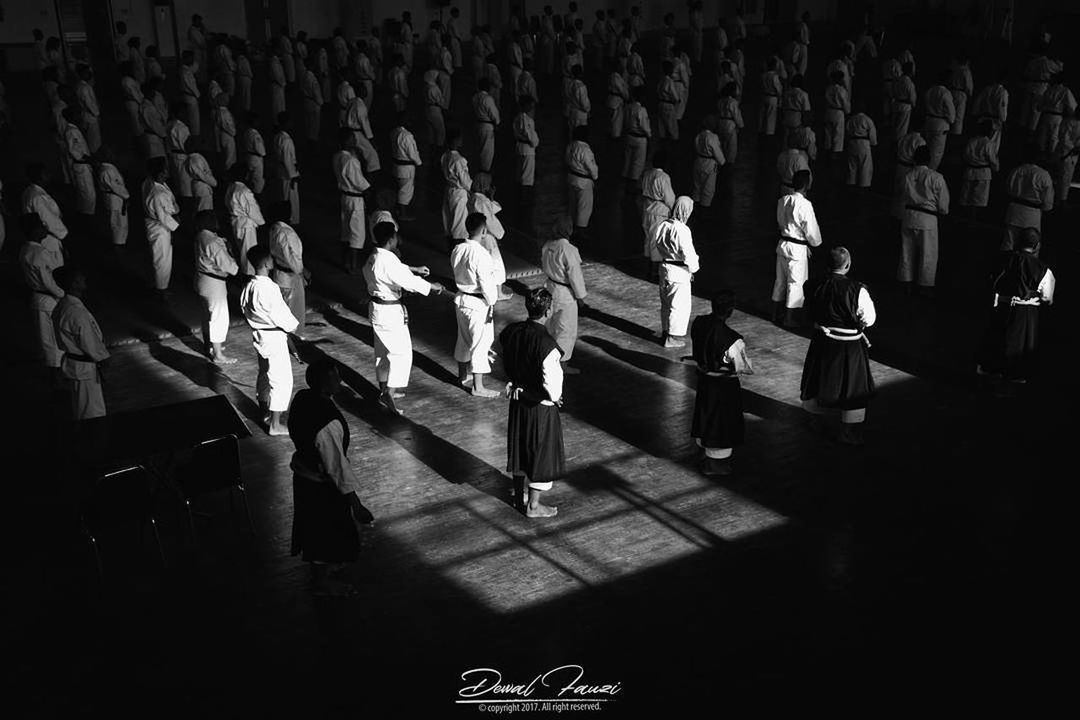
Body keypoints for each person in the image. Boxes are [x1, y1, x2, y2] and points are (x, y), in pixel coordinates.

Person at [288, 359, 374, 596]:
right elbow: (336, 465)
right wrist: (356, 504)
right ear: (324, 383)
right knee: (323, 533)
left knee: (319, 530)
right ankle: (322, 583)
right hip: (320, 486)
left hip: (303, 475)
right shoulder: (327, 422)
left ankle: (326, 573)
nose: (340, 381)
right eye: (335, 378)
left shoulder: (302, 399)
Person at [362, 221, 446, 413]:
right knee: (402, 354)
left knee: (382, 353)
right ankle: (388, 394)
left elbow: (396, 270)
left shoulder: (374, 257)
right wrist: (431, 286)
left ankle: (384, 388)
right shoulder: (386, 260)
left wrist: (414, 269)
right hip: (389, 312)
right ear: (391, 238)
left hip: (378, 308)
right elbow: (405, 280)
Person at [801, 247, 876, 445]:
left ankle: (815, 420)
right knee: (854, 387)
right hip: (850, 346)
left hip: (823, 341)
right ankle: (849, 432)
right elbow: (869, 319)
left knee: (818, 378)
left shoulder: (812, 285)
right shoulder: (857, 290)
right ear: (848, 265)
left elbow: (809, 310)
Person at [500, 288, 564, 518]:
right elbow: (553, 384)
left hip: (518, 400)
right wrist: (555, 398)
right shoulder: (546, 344)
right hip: (540, 407)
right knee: (540, 452)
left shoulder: (512, 331)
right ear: (548, 310)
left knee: (519, 448)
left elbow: (504, 356)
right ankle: (534, 506)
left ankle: (519, 496)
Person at [977, 228, 1055, 384]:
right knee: (1019, 346)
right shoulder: (1043, 269)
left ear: (1017, 241)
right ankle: (1014, 375)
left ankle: (991, 370)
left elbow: (991, 281)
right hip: (1025, 312)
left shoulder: (1001, 259)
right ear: (1038, 245)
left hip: (1002, 308)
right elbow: (1047, 297)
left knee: (997, 339)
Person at [690, 290, 753, 476]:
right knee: (721, 422)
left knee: (706, 414)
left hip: (705, 380)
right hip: (723, 386)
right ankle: (715, 465)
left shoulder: (699, 322)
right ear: (730, 310)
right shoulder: (732, 339)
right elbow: (742, 367)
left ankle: (703, 451)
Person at [241, 246, 300, 435]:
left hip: (260, 334)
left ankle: (264, 412)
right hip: (272, 337)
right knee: (281, 380)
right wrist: (293, 326)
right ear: (267, 263)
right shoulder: (268, 288)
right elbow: (282, 315)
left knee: (265, 374)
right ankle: (275, 424)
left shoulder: (249, 285)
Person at [451, 212, 500, 398]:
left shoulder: (458, 248)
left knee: (463, 338)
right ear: (484, 230)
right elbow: (486, 283)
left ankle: (463, 376)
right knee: (480, 343)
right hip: (477, 302)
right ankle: (478, 386)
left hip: (461, 299)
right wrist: (491, 300)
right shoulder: (481, 254)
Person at [53, 266, 110, 420]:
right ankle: (91, 440)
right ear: (74, 283)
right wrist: (103, 357)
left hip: (76, 365)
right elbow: (88, 340)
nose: (84, 279)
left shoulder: (64, 305)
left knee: (82, 406)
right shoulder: (75, 311)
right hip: (84, 368)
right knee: (91, 411)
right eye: (80, 278)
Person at [898, 145, 950, 295]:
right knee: (928, 254)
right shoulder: (936, 178)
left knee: (906, 251)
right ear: (929, 159)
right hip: (928, 219)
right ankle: (924, 286)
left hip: (908, 217)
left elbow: (902, 197)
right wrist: (942, 211)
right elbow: (943, 206)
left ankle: (905, 282)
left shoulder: (907, 176)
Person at [18, 214, 65, 377]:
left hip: (40, 298)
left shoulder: (26, 249)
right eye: (40, 225)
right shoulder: (38, 253)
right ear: (33, 231)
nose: (44, 227)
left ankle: (56, 377)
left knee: (48, 340)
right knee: (52, 341)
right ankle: (56, 379)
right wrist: (64, 294)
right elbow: (48, 281)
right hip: (48, 300)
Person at [773, 170, 822, 327]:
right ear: (807, 185)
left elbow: (781, 223)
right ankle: (788, 318)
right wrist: (811, 243)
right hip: (796, 249)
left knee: (780, 280)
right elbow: (812, 234)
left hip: (783, 244)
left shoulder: (783, 200)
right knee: (795, 284)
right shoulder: (805, 205)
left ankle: (775, 314)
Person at [541, 218, 587, 375]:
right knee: (565, 329)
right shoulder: (568, 250)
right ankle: (562, 364)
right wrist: (580, 297)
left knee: (551, 325)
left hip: (549, 286)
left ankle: (547, 358)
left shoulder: (548, 245)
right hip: (565, 293)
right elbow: (575, 276)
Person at [192, 210, 239, 364]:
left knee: (207, 315)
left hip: (202, 279)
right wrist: (230, 252)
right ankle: (218, 354)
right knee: (219, 317)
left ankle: (209, 346)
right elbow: (229, 267)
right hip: (213, 284)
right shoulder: (212, 241)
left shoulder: (201, 236)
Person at [653, 197, 700, 348]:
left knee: (666, 303)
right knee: (678, 306)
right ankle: (672, 337)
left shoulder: (664, 225)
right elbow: (688, 254)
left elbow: (657, 244)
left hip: (665, 267)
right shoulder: (682, 230)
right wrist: (693, 268)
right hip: (679, 272)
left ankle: (666, 331)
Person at [268, 201, 308, 363]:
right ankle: (288, 341)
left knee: (288, 309)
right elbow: (293, 257)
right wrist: (302, 271)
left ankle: (289, 339)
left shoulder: (275, 229)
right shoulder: (286, 234)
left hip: (281, 274)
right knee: (289, 311)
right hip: (288, 277)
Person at [467, 176, 512, 301]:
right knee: (496, 264)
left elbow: (492, 209)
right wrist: (500, 233)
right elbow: (490, 219)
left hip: (477, 235)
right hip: (486, 236)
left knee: (482, 263)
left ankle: (484, 288)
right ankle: (498, 293)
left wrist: (490, 197)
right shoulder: (482, 201)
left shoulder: (474, 198)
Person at [332, 129, 371, 273]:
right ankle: (353, 266)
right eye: (352, 138)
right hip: (355, 199)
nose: (355, 141)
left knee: (346, 231)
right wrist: (368, 191)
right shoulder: (351, 160)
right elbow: (359, 182)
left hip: (345, 196)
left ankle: (345, 261)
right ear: (347, 141)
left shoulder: (338, 156)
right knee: (357, 233)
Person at [142, 158, 180, 299]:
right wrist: (177, 224)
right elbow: (164, 217)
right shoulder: (157, 193)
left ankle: (158, 285)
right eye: (165, 171)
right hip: (159, 227)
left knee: (159, 256)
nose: (167, 174)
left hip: (156, 223)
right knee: (162, 258)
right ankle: (161, 290)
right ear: (159, 173)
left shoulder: (151, 182)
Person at [1003, 157, 1054, 252]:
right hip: (1032, 214)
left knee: (1009, 243)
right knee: (1031, 245)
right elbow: (1048, 200)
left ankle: (1006, 265)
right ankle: (1028, 266)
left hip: (1014, 211)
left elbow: (1008, 189)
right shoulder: (1043, 175)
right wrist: (1046, 209)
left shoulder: (1017, 170)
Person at [641, 155, 676, 267]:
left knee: (648, 237)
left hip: (647, 208)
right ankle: (654, 269)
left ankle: (648, 266)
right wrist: (674, 210)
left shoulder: (647, 174)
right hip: (659, 211)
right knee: (657, 240)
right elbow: (669, 197)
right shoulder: (663, 177)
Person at [959, 118, 999, 212]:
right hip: (983, 174)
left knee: (966, 198)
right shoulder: (989, 143)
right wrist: (996, 168)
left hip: (970, 172)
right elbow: (993, 160)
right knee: (979, 201)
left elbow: (965, 156)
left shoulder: (971, 141)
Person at [565, 125, 598, 236]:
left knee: (573, 206)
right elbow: (590, 166)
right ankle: (581, 233)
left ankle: (571, 230)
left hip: (571, 178)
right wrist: (595, 177)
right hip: (583, 181)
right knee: (584, 208)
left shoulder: (570, 146)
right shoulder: (584, 149)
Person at [63, 109, 95, 217]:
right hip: (81, 165)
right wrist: (88, 159)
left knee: (85, 194)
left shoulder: (73, 129)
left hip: (83, 164)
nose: (79, 117)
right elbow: (74, 150)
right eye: (77, 114)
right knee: (87, 194)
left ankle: (86, 215)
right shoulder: (71, 131)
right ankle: (86, 218)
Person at [441, 129, 472, 245]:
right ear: (455, 141)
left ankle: (450, 246)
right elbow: (465, 180)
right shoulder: (459, 160)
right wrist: (473, 188)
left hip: (449, 189)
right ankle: (456, 247)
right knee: (458, 221)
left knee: (448, 218)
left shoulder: (445, 156)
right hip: (459, 192)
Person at [23, 164, 68, 242]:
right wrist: (63, 233)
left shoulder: (29, 191)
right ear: (38, 178)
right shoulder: (38, 197)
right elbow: (48, 220)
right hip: (48, 238)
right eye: (46, 174)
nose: (49, 175)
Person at [389, 113, 422, 220]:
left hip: (397, 166)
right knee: (405, 191)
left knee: (400, 189)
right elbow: (412, 153)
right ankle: (403, 215)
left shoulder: (394, 132)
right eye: (409, 120)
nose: (411, 122)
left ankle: (398, 211)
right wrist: (419, 163)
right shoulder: (406, 135)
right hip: (406, 168)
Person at [1035, 72, 1077, 154]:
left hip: (1045, 116)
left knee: (1042, 139)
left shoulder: (1049, 89)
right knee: (1053, 140)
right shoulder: (1065, 91)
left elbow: (1039, 106)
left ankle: (1039, 157)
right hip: (1056, 118)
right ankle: (1050, 159)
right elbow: (1072, 107)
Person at [691, 116, 726, 210]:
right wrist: (722, 162)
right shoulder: (712, 137)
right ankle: (704, 211)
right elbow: (717, 152)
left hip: (698, 161)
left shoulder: (699, 135)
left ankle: (695, 209)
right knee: (708, 188)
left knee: (697, 186)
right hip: (710, 164)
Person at [923, 72, 956, 170]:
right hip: (941, 125)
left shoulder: (929, 91)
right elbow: (951, 114)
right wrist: (951, 121)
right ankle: (930, 174)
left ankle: (923, 171)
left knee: (927, 149)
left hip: (928, 122)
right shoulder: (945, 93)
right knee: (936, 154)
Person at [271, 112, 300, 224]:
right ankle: (290, 220)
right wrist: (293, 176)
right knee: (290, 198)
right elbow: (288, 160)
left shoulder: (278, 136)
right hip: (288, 173)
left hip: (281, 170)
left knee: (282, 195)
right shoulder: (286, 140)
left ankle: (285, 217)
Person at [623, 87, 651, 190]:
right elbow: (644, 126)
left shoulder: (627, 107)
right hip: (640, 138)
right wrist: (649, 136)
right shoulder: (641, 110)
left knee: (628, 160)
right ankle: (633, 186)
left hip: (629, 135)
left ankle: (626, 182)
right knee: (638, 163)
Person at [97, 155, 129, 247]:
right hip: (115, 199)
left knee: (118, 223)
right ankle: (118, 245)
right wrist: (126, 196)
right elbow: (116, 187)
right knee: (118, 223)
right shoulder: (108, 170)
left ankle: (119, 243)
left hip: (115, 198)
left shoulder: (109, 168)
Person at [845, 101, 877, 188]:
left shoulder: (851, 120)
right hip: (864, 144)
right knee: (865, 166)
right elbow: (872, 135)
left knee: (851, 166)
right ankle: (863, 186)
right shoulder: (867, 120)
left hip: (852, 143)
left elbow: (847, 131)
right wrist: (873, 144)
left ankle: (851, 184)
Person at [472, 78, 500, 177]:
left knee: (481, 148)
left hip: (479, 124)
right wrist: (497, 123)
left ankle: (481, 171)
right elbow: (494, 114)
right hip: (487, 126)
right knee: (487, 152)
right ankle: (484, 173)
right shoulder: (487, 98)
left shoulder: (475, 97)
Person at [513, 96, 539, 198]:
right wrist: (535, 142)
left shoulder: (518, 117)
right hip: (527, 149)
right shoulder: (525, 119)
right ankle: (525, 197)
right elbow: (530, 135)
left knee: (520, 173)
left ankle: (521, 196)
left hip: (520, 147)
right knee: (526, 176)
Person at [73, 65, 101, 154]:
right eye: (87, 73)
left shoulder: (80, 86)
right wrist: (97, 114)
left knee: (91, 140)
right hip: (91, 117)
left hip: (86, 116)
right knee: (95, 142)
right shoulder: (85, 88)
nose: (89, 74)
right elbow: (89, 104)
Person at [1055, 106, 1080, 202]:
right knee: (1063, 179)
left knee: (1066, 179)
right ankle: (1061, 200)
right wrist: (1073, 149)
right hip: (1065, 154)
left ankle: (1061, 199)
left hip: (1073, 155)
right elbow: (1064, 139)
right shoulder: (1068, 122)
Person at [823, 71, 850, 157]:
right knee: (837, 136)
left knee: (828, 135)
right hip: (838, 113)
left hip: (829, 111)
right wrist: (847, 112)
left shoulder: (828, 89)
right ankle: (835, 156)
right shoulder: (842, 90)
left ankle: (827, 154)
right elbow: (845, 103)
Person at [185, 138, 216, 212]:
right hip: (202, 187)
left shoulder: (193, 158)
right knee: (204, 210)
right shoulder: (195, 159)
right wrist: (213, 182)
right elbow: (202, 175)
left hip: (201, 185)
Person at [716, 82, 743, 163]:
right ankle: (729, 163)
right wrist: (741, 125)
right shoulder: (733, 102)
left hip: (720, 123)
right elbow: (736, 115)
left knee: (722, 144)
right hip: (730, 125)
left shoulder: (720, 101)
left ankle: (722, 160)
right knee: (731, 147)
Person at [780, 74, 811, 145]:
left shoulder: (787, 93)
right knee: (795, 139)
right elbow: (806, 110)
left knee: (785, 139)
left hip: (786, 117)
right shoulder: (803, 94)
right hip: (797, 119)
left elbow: (782, 105)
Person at [240, 111, 266, 195]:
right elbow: (260, 150)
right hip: (256, 158)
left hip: (248, 157)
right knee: (257, 181)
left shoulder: (246, 132)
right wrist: (263, 153)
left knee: (250, 179)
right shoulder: (255, 134)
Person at [949, 51, 974, 136]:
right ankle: (956, 135)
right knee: (958, 117)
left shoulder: (955, 68)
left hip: (952, 92)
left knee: (950, 113)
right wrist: (970, 94)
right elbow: (968, 86)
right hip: (961, 94)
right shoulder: (965, 71)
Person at [759, 56, 784, 136]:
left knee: (763, 116)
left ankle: (761, 131)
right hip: (772, 98)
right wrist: (780, 98)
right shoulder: (774, 76)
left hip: (764, 96)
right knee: (771, 118)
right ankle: (769, 134)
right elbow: (778, 88)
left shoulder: (763, 75)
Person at [891, 63, 917, 141]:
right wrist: (913, 105)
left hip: (896, 105)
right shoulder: (908, 82)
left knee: (895, 127)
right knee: (901, 130)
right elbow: (912, 97)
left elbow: (893, 91)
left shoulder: (897, 80)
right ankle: (898, 147)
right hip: (905, 107)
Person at [656, 61, 680, 142]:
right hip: (669, 105)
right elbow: (675, 96)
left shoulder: (661, 80)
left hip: (660, 104)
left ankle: (663, 143)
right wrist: (677, 100)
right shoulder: (669, 81)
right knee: (672, 127)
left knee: (662, 126)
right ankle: (673, 145)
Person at [422, 70, 446, 151]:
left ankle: (431, 149)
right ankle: (439, 149)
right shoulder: (434, 88)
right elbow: (440, 101)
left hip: (427, 109)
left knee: (431, 131)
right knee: (440, 131)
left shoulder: (426, 86)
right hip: (435, 110)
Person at [213, 92, 237, 170]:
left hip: (224, 136)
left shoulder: (220, 111)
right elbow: (228, 126)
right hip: (227, 136)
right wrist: (233, 132)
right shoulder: (224, 113)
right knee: (230, 159)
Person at [180, 51, 201, 137]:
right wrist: (198, 95)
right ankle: (194, 137)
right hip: (190, 97)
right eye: (190, 58)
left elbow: (195, 66)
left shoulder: (186, 69)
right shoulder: (185, 72)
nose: (192, 60)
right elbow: (191, 86)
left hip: (189, 96)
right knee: (194, 120)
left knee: (193, 119)